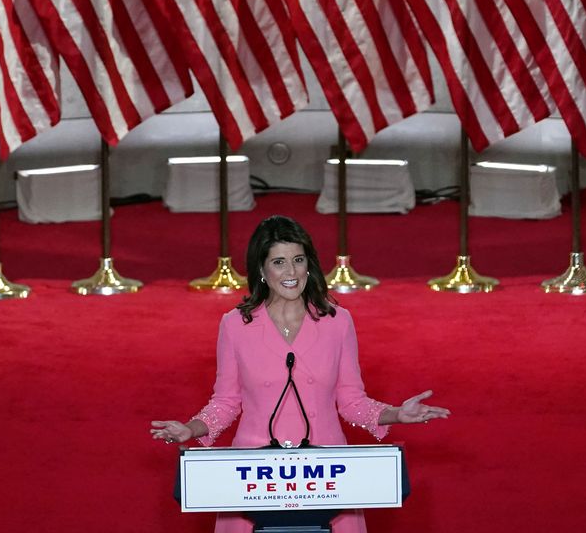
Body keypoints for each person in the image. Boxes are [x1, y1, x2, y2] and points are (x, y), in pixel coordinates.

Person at [150, 215, 450, 533]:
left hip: (327, 476)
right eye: (279, 262)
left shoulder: (338, 322)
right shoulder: (235, 325)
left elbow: (352, 401)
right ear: (261, 269)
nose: (291, 272)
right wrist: (190, 429)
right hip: (255, 477)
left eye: (298, 260)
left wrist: (397, 414)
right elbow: (225, 403)